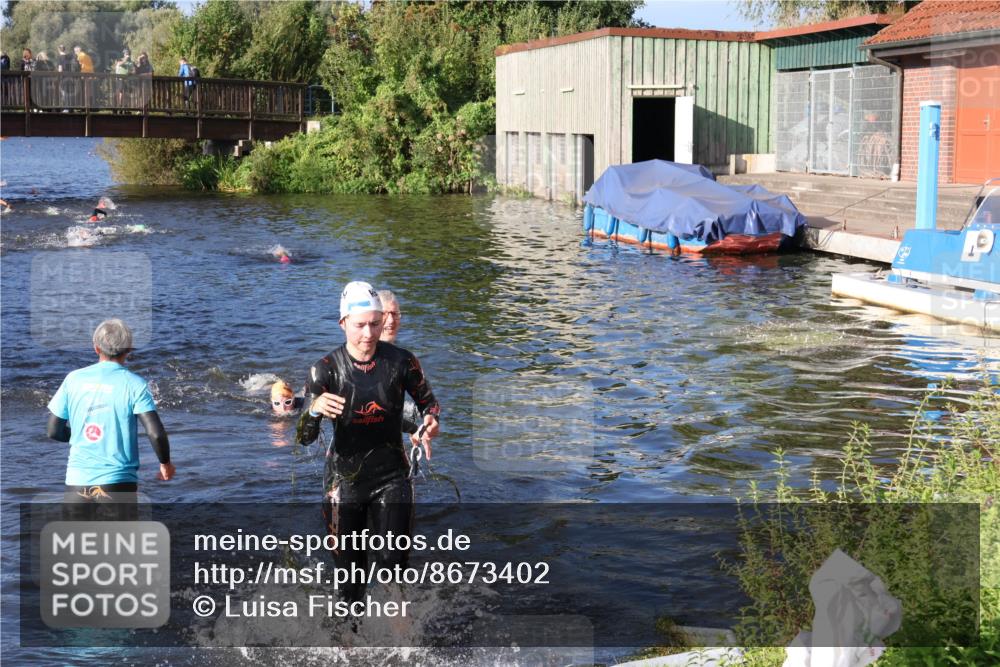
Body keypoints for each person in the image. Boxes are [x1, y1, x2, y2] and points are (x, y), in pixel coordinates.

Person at [296, 281, 440, 602]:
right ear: (343, 323)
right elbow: (304, 437)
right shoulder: (325, 370)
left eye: (375, 324)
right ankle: (349, 645)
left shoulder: (401, 362)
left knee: (393, 569)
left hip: (392, 477)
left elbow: (429, 404)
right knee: (351, 584)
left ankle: (399, 644)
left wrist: (429, 422)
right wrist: (315, 411)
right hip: (343, 484)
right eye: (360, 325)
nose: (369, 334)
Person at [46, 319, 175, 506]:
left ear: (96, 348)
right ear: (129, 349)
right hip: (118, 483)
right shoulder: (135, 384)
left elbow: (53, 431)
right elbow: (155, 433)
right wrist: (165, 463)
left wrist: (81, 436)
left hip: (76, 484)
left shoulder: (73, 379)